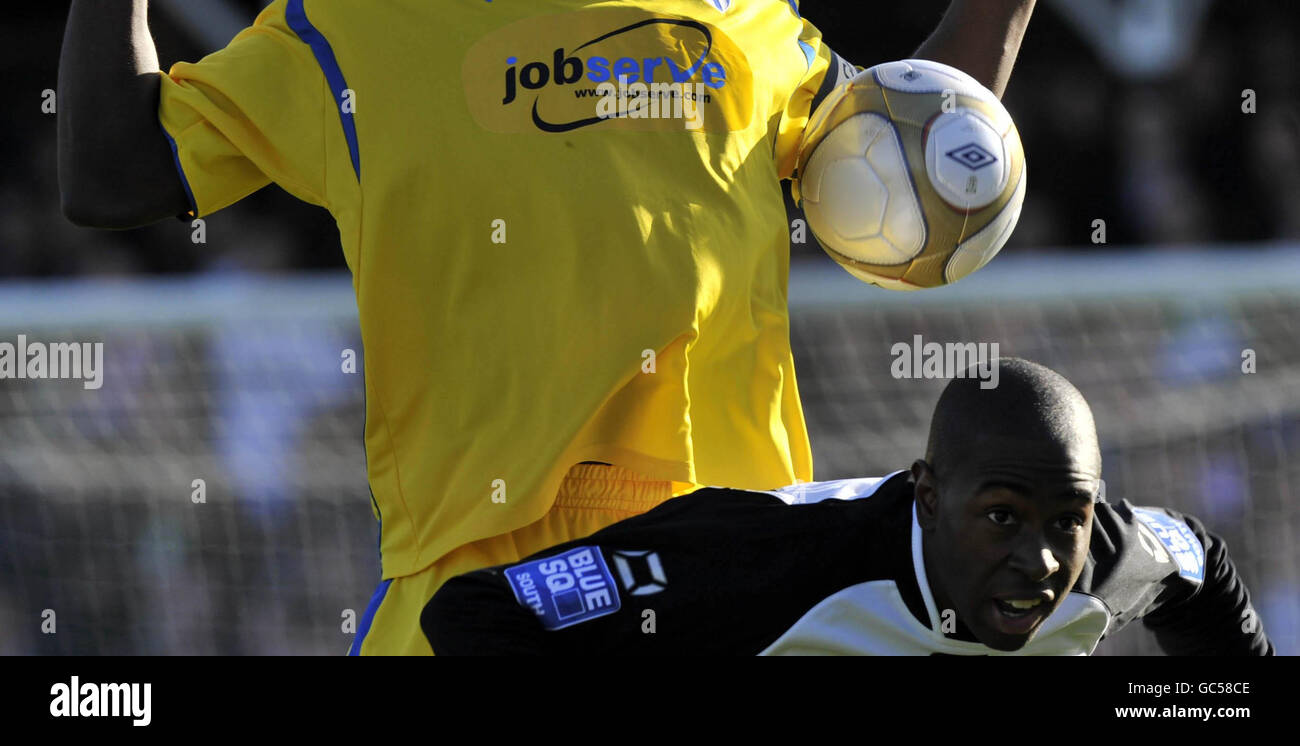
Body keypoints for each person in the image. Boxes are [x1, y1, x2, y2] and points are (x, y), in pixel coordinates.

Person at [55, 0, 1100, 655]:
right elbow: (111, 176)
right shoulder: (366, 5)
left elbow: (925, 160)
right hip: (480, 594)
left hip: (731, 572)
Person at [424, 358, 1273, 655]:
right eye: (1003, 517)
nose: (1043, 559)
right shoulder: (759, 556)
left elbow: (1201, 564)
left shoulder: (1117, 558)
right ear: (929, 497)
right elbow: (476, 612)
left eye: (1067, 520)